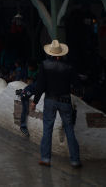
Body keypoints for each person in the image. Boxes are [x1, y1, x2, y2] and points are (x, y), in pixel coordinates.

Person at [31, 40, 81, 168]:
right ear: (61, 53)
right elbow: (77, 84)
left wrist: (35, 101)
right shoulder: (69, 66)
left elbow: (40, 85)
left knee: (47, 129)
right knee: (69, 129)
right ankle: (75, 160)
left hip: (50, 100)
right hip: (65, 100)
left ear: (51, 53)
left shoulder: (44, 65)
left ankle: (46, 159)